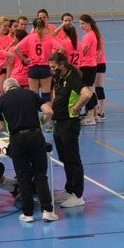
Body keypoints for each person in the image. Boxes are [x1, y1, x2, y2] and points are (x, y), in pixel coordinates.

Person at [0, 78, 57, 223]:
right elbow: (48, 111)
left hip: (17, 139)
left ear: (5, 89)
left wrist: (12, 129)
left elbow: (0, 126)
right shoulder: (31, 94)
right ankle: (47, 210)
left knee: (23, 177)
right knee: (40, 175)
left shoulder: (1, 101)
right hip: (35, 136)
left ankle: (28, 214)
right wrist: (39, 123)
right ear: (18, 86)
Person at [44, 51, 93, 209]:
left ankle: (78, 195)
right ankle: (69, 189)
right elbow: (55, 94)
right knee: (65, 159)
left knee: (73, 159)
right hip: (59, 123)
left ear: (62, 65)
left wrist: (77, 107)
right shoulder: (59, 77)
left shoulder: (73, 78)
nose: (51, 69)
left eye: (53, 66)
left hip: (69, 124)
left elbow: (87, 94)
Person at [77, 14, 105, 122]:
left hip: (87, 66)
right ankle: (94, 114)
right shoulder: (92, 34)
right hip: (91, 65)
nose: (81, 26)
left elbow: (83, 50)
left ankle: (90, 116)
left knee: (87, 91)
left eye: (83, 23)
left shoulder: (88, 36)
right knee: (91, 90)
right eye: (80, 24)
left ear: (89, 24)